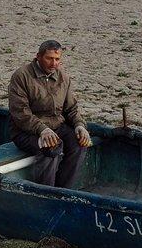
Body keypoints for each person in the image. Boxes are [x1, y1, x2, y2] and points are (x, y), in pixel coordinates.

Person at [8, 40, 91, 188]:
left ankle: (63, 190)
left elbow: (71, 108)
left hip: (57, 126)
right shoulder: (21, 76)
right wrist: (42, 130)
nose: (54, 63)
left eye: (57, 59)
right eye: (49, 58)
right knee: (51, 145)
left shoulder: (63, 78)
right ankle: (46, 190)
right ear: (38, 57)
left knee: (79, 143)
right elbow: (20, 113)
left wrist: (79, 125)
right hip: (26, 132)